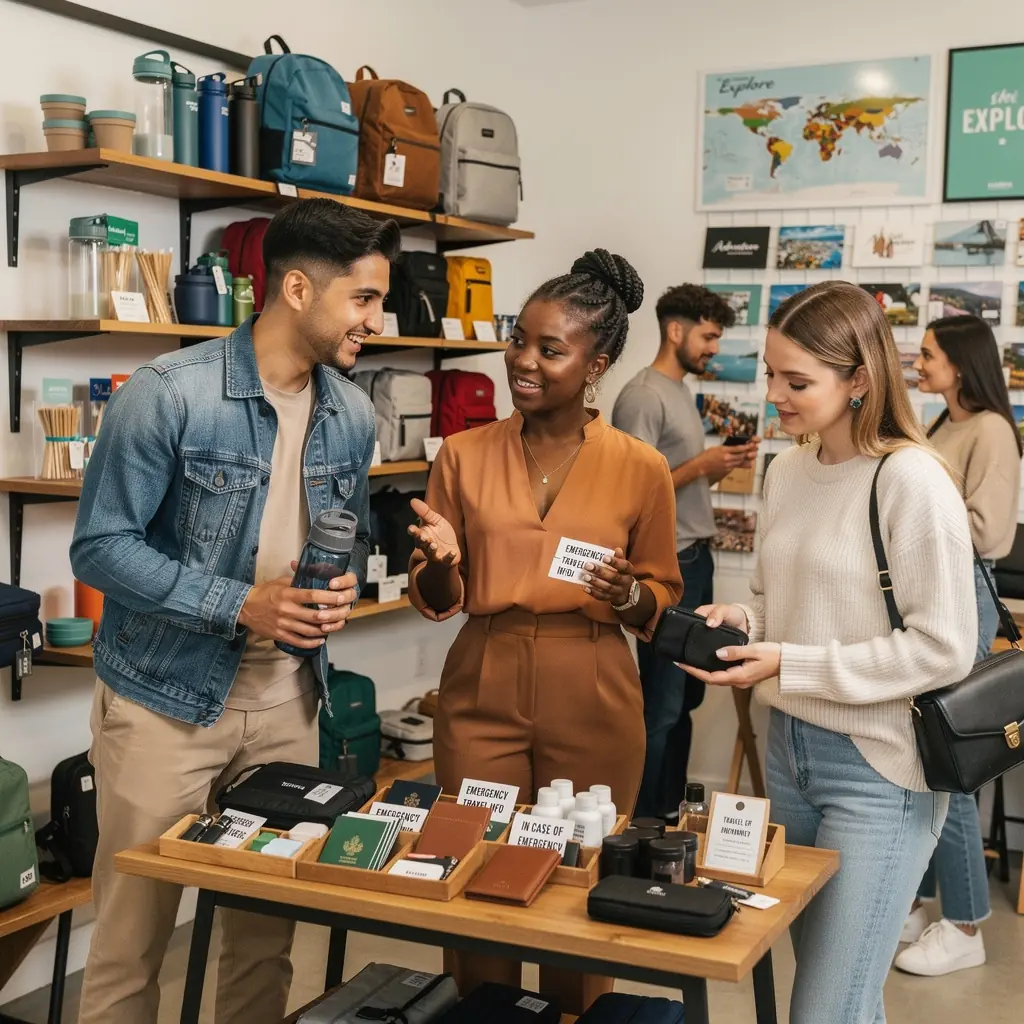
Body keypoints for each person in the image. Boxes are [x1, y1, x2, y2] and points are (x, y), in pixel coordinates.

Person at [70, 199, 400, 1024]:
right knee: (130, 941)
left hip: (289, 705)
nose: (378, 319)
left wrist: (340, 585)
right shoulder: (167, 394)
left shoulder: (352, 414)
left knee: (263, 939)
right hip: (161, 705)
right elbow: (100, 546)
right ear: (296, 288)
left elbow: (341, 538)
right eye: (362, 299)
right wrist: (238, 604)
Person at [682, 281, 976, 1024]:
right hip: (790, 756)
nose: (773, 393)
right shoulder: (788, 471)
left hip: (880, 770)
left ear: (859, 381)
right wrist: (742, 621)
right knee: (837, 995)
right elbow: (785, 611)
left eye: (796, 381)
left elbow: (944, 649)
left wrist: (788, 662)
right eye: (773, 374)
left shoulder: (912, 479)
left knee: (823, 1011)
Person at [407, 250, 682, 1013]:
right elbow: (436, 594)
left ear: (596, 364)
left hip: (593, 678)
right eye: (517, 339)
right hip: (484, 672)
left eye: (548, 349)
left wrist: (631, 597)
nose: (522, 361)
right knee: (472, 864)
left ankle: (577, 1011)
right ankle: (484, 1013)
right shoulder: (462, 455)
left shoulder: (642, 468)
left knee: (581, 871)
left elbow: (662, 594)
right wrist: (438, 562)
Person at [894, 315, 1022, 975]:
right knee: (924, 757)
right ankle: (921, 900)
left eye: (929, 354)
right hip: (934, 591)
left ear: (961, 362)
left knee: (953, 763)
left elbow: (989, 532)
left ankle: (966, 923)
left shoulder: (992, 429)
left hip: (964, 592)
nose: (918, 362)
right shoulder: (943, 423)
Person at [612, 284, 758, 820]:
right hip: (670, 566)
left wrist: (711, 471)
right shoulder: (643, 396)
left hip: (698, 557)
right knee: (663, 705)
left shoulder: (679, 392)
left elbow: (671, 488)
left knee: (688, 700)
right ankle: (643, 822)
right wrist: (700, 468)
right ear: (676, 331)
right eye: (709, 335)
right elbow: (629, 495)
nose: (714, 348)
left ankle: (671, 813)